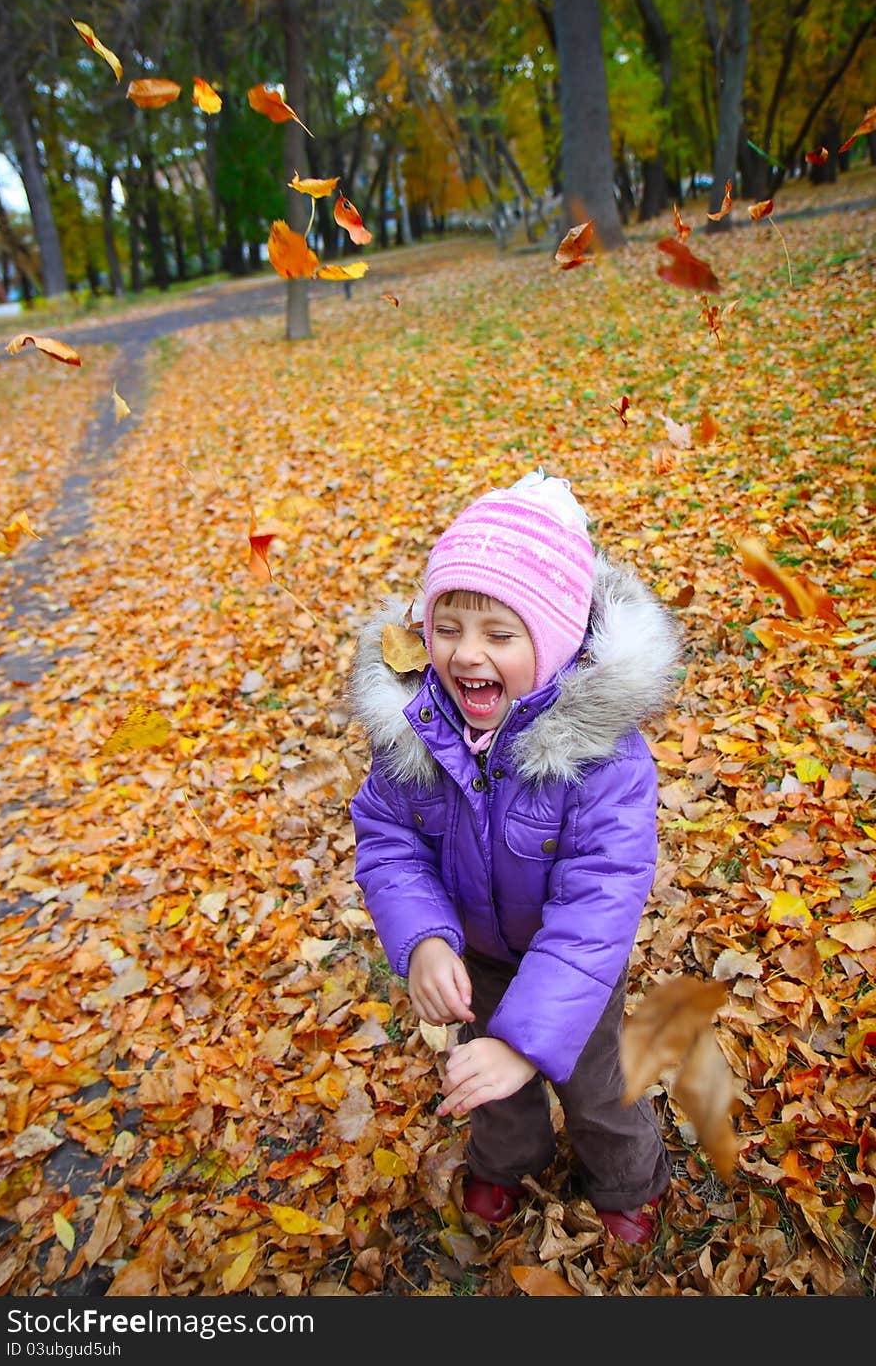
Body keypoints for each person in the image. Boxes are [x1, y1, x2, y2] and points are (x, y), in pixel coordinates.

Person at [347, 469, 681, 1243]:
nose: (468, 654)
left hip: (573, 960)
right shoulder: (419, 728)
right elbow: (389, 838)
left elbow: (602, 898)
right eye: (449, 626)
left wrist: (528, 1041)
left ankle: (628, 1178)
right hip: (479, 955)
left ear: (557, 639)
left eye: (500, 634)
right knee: (488, 1081)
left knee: (596, 1085)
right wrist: (426, 936)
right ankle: (508, 1159)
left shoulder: (604, 760)